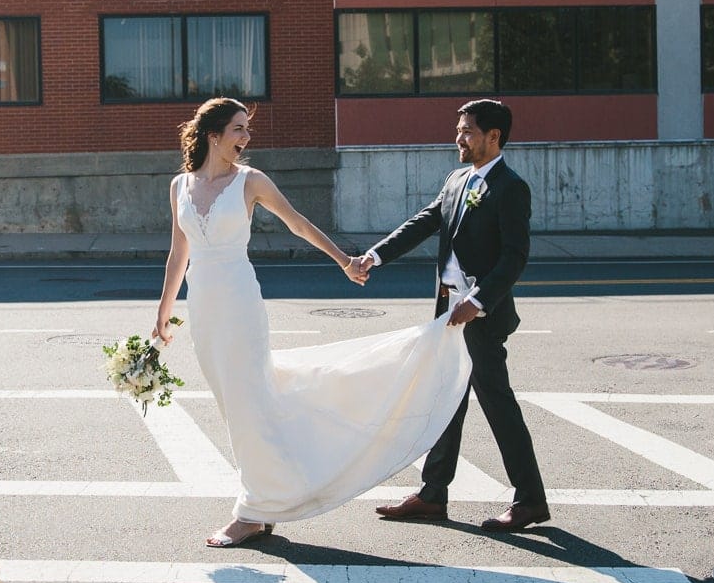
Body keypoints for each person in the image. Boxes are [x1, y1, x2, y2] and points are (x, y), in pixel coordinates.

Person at [152, 97, 473, 548]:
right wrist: (163, 313)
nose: (246, 138)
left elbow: (298, 224)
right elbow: (178, 252)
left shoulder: (250, 182)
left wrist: (344, 260)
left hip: (240, 304)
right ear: (213, 135)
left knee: (250, 401)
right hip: (203, 308)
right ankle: (266, 498)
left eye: (247, 130)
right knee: (233, 406)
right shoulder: (179, 186)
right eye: (239, 129)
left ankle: (253, 510)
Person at [349, 99, 550, 532]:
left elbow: (515, 256)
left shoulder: (510, 187)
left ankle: (530, 500)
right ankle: (433, 494)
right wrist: (376, 256)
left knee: (497, 404)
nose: (458, 138)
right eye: (459, 130)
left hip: (479, 314)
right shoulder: (457, 179)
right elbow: (425, 221)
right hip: (447, 311)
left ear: (493, 137)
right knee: (445, 399)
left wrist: (478, 301)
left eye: (468, 132)